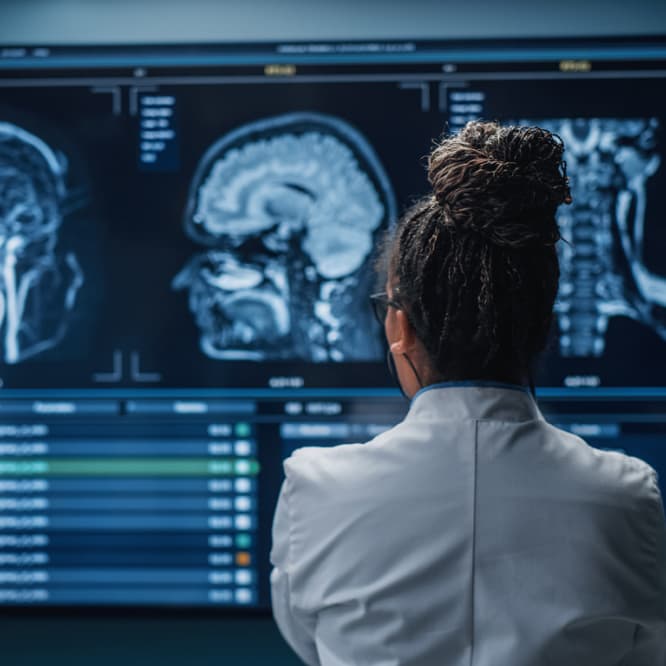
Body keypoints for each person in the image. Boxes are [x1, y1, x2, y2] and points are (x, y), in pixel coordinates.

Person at [270, 121, 666, 666]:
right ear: (543, 324)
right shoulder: (626, 497)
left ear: (399, 327)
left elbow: (312, 646)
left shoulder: (316, 489)